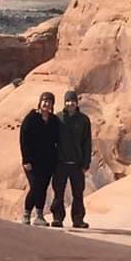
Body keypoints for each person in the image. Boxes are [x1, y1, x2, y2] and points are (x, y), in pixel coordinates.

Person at [50, 89, 92, 229]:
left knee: (78, 193)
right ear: (64, 102)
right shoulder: (58, 118)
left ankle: (78, 219)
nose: (70, 103)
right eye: (67, 101)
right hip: (60, 163)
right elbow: (51, 140)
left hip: (77, 164)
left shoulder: (84, 120)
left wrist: (86, 162)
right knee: (58, 192)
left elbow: (87, 142)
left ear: (76, 102)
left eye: (72, 101)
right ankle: (57, 218)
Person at [18, 91, 59, 225]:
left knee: (43, 187)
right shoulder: (31, 118)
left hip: (47, 162)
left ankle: (39, 216)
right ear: (40, 102)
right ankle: (27, 214)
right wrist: (26, 160)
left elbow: (58, 140)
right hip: (32, 162)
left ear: (53, 105)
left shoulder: (54, 121)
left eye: (49, 102)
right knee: (35, 186)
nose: (46, 104)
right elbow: (24, 139)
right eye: (45, 101)